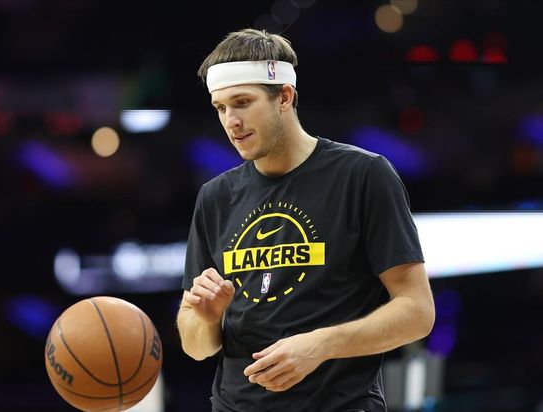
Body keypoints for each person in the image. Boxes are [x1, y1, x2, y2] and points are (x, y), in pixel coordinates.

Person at [176, 28, 435, 412]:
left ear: (284, 96)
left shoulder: (362, 175)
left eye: (242, 102)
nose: (231, 121)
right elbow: (196, 347)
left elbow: (417, 312)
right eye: (220, 108)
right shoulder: (214, 196)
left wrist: (321, 345)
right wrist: (206, 317)